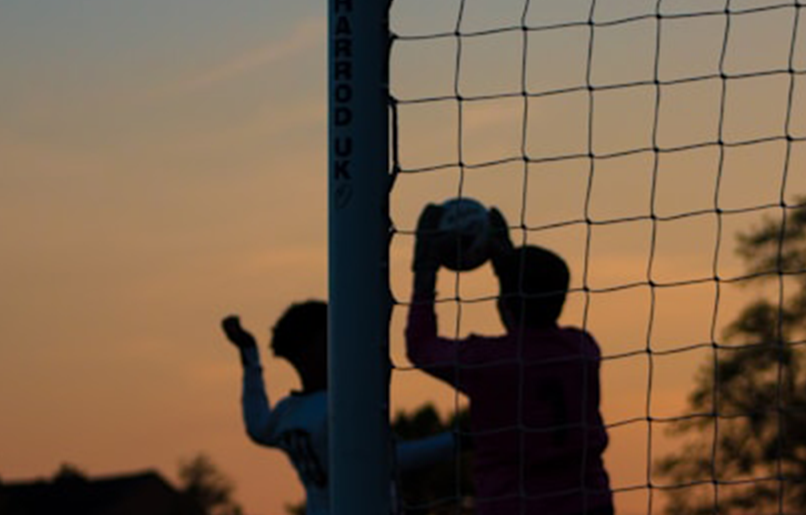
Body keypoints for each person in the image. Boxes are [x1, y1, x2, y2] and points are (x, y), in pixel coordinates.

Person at [406, 204, 614, 515]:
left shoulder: (488, 362)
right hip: (588, 505)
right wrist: (508, 263)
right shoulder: (583, 350)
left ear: (504, 299)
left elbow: (421, 346)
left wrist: (425, 269)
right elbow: (523, 323)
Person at [221, 300, 453, 515]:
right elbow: (388, 460)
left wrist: (249, 355)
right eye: (331, 338)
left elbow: (256, 425)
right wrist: (459, 439)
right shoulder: (337, 409)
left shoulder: (288, 414)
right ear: (310, 350)